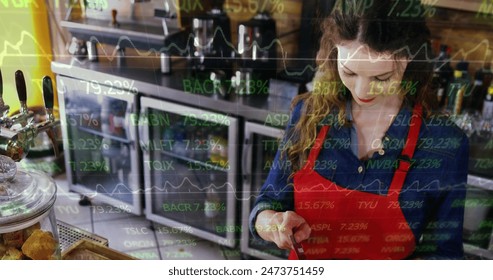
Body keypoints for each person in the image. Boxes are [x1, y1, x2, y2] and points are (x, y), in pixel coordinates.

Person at [249, 0, 469, 260]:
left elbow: (446, 255)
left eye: (381, 78)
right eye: (350, 72)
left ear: (409, 57)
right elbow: (266, 205)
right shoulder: (309, 114)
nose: (362, 91)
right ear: (335, 51)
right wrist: (274, 224)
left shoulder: (444, 143)